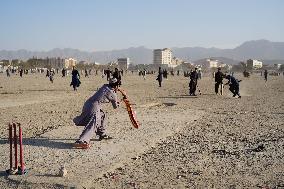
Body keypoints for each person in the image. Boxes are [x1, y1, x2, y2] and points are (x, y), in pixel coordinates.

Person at [73, 78, 120, 147]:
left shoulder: (104, 86)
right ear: (116, 86)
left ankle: (101, 134)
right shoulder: (112, 93)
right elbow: (116, 106)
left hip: (88, 104)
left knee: (102, 115)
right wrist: (122, 99)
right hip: (94, 107)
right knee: (93, 123)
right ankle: (81, 141)